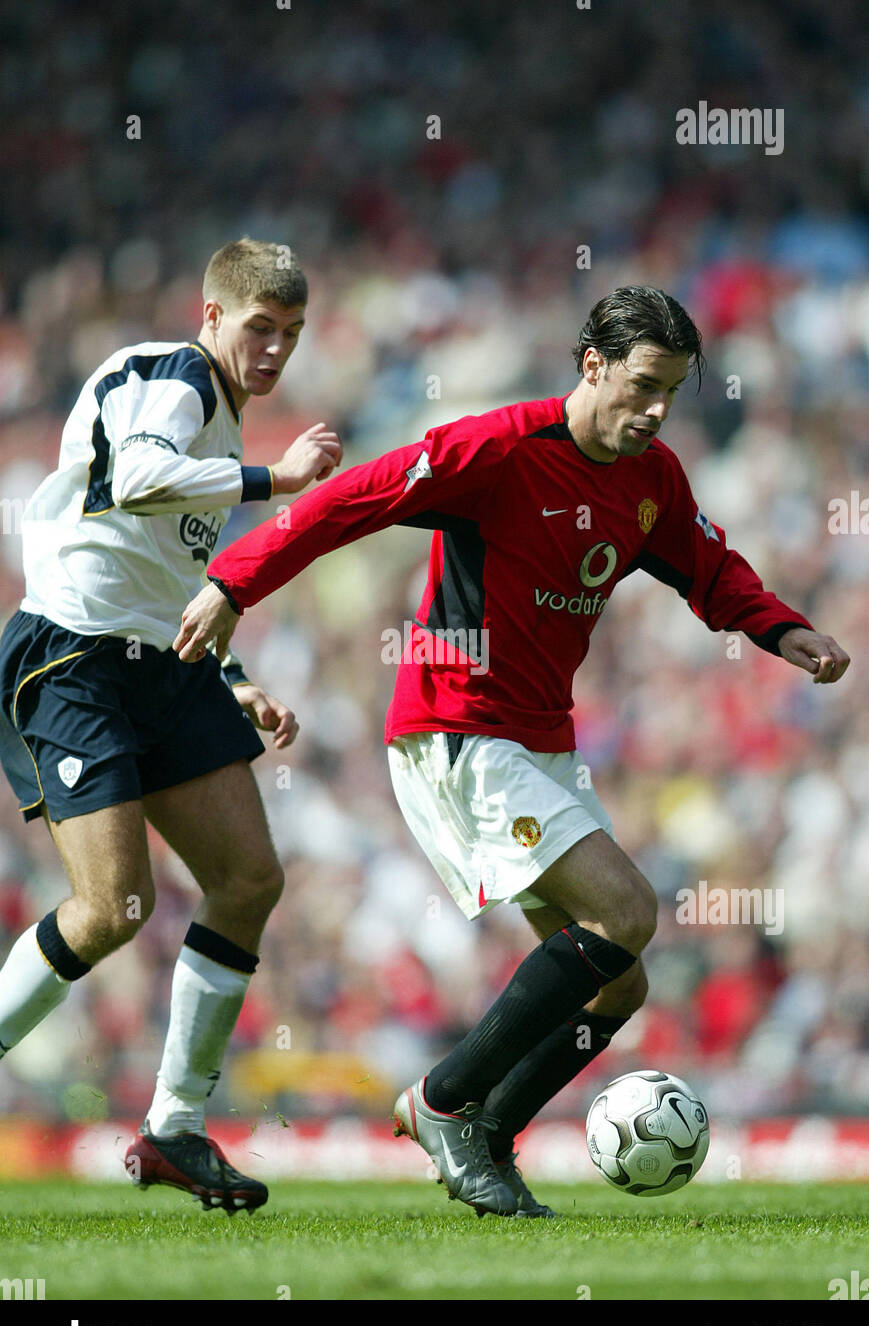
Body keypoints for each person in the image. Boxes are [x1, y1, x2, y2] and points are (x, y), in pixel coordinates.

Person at [173, 285, 850, 1218]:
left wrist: (782, 631)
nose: (655, 411)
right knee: (625, 912)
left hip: (539, 741)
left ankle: (487, 1138)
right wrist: (232, 585)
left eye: (672, 393)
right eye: (643, 386)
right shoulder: (494, 450)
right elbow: (348, 501)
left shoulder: (651, 478)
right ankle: (444, 1100)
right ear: (592, 365)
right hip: (456, 724)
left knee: (619, 985)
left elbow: (708, 567)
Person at [0, 237, 342, 1212]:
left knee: (246, 878)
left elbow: (167, 576)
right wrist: (278, 481)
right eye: (259, 328)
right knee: (114, 908)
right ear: (211, 317)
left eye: (291, 334)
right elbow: (139, 480)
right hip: (71, 652)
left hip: (164, 661)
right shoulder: (175, 376)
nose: (273, 349)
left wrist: (233, 676)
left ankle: (174, 1128)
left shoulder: (221, 415)